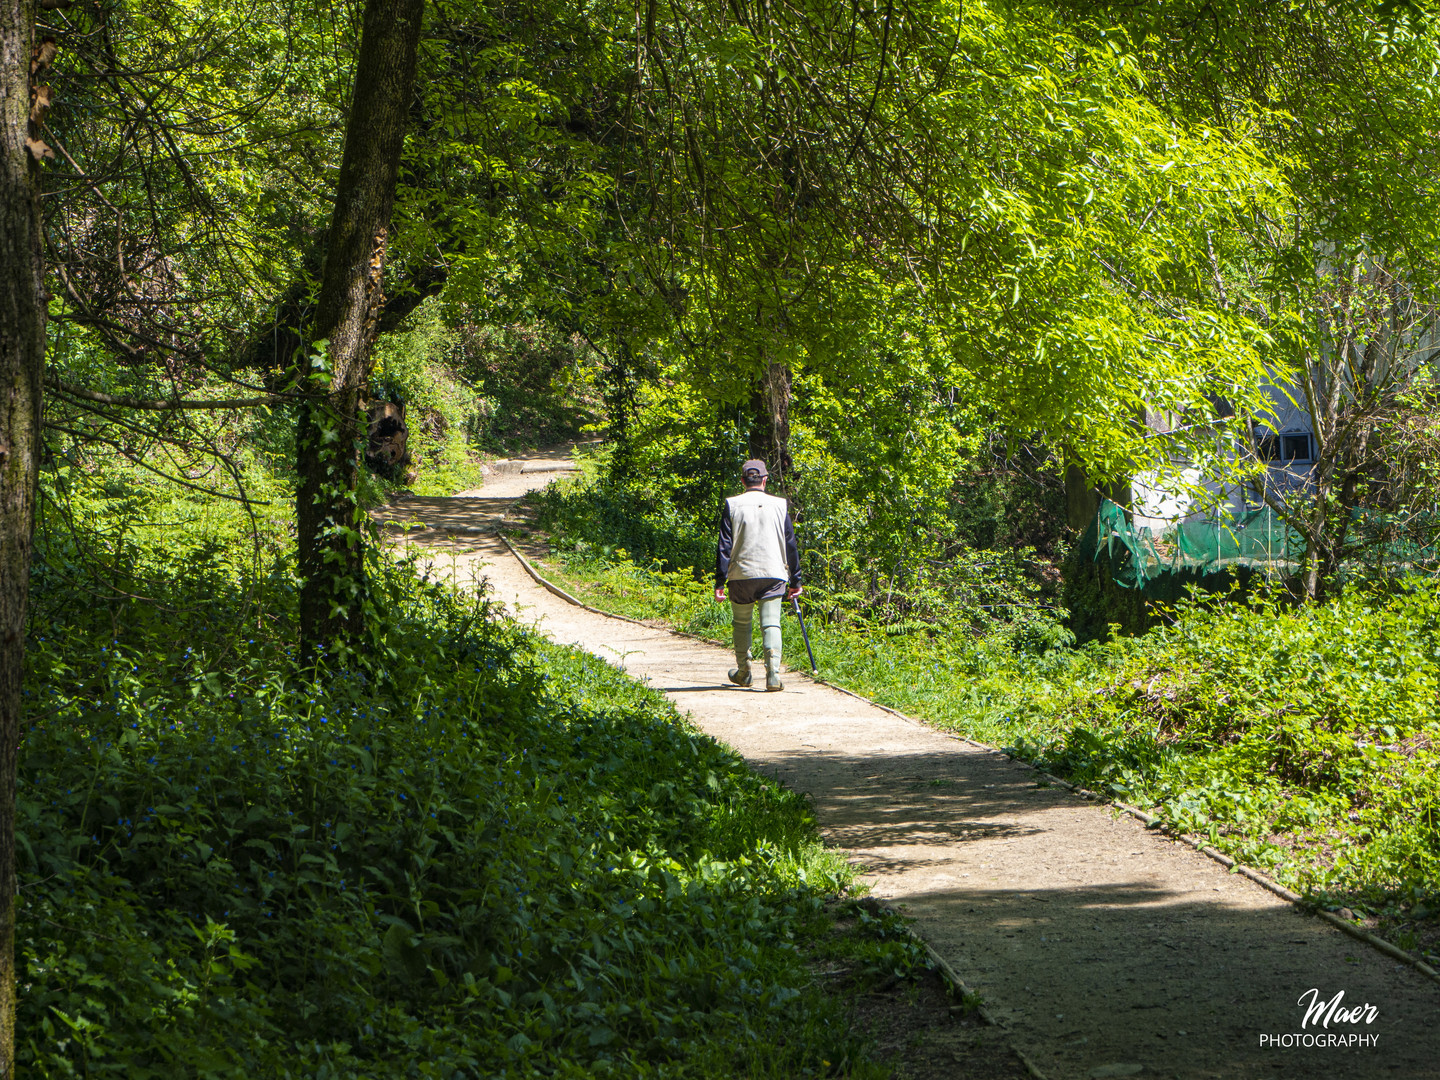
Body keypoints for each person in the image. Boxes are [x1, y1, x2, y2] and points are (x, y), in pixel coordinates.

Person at [714, 459, 802, 691]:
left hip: (741, 574)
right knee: (771, 623)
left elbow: (724, 545)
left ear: (743, 481)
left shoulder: (732, 504)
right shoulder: (780, 505)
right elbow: (790, 544)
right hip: (774, 573)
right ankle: (773, 675)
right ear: (765, 479)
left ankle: (744, 672)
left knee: (741, 623)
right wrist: (796, 580)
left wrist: (720, 580)